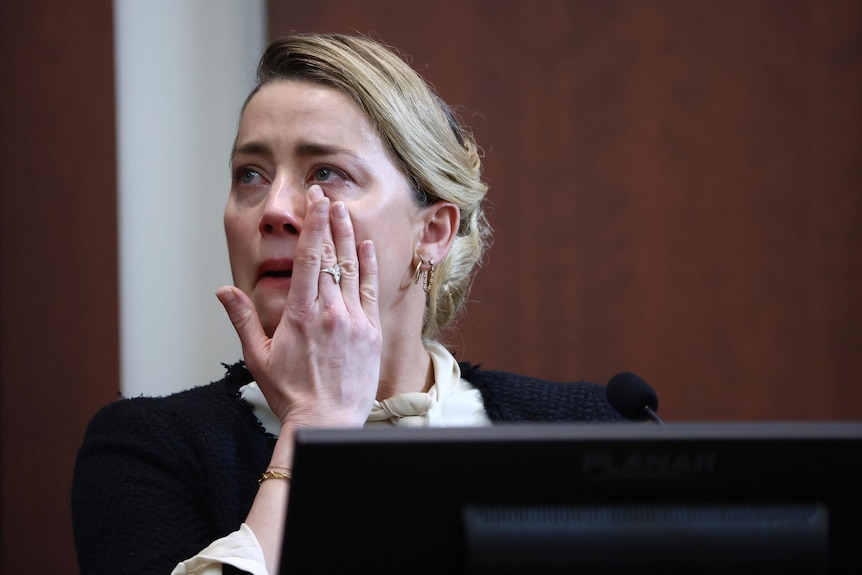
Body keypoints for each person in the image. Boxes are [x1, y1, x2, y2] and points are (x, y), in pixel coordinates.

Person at [71, 33, 624, 575]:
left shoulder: (596, 432)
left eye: (326, 173)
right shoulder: (146, 448)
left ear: (432, 232)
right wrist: (315, 424)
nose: (274, 210)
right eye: (250, 175)